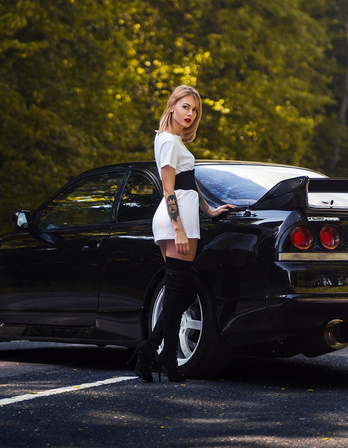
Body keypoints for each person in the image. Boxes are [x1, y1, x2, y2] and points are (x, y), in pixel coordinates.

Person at [128, 85, 234, 382]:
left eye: (195, 109)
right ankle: (154, 352)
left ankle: (158, 353)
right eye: (186, 106)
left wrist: (209, 210)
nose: (191, 113)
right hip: (177, 219)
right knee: (179, 289)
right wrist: (179, 229)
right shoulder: (167, 141)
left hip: (184, 216)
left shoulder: (175, 142)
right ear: (172, 106)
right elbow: (169, 189)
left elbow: (189, 182)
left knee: (181, 290)